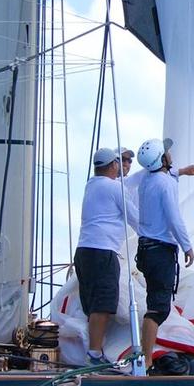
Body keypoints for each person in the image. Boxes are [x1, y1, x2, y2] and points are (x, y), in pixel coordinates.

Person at [74, 148, 140, 366]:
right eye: (119, 162)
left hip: (84, 251)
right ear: (112, 165)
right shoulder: (113, 187)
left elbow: (132, 181)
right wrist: (153, 237)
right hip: (103, 252)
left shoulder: (91, 185)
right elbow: (134, 218)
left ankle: (92, 350)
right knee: (103, 305)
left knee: (92, 305)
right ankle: (94, 355)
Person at [135, 138, 194, 370]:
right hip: (161, 251)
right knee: (158, 309)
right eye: (167, 152)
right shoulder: (164, 184)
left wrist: (183, 172)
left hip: (146, 250)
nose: (170, 154)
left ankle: (145, 358)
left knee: (155, 304)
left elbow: (165, 177)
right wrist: (187, 246)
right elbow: (174, 218)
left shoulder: (148, 180)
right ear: (162, 159)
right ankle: (147, 361)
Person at [119, 145, 194, 213]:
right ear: (114, 162)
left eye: (129, 161)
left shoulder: (134, 184)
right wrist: (157, 157)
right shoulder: (117, 183)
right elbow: (139, 176)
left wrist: (183, 171)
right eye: (123, 159)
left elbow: (155, 176)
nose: (127, 163)